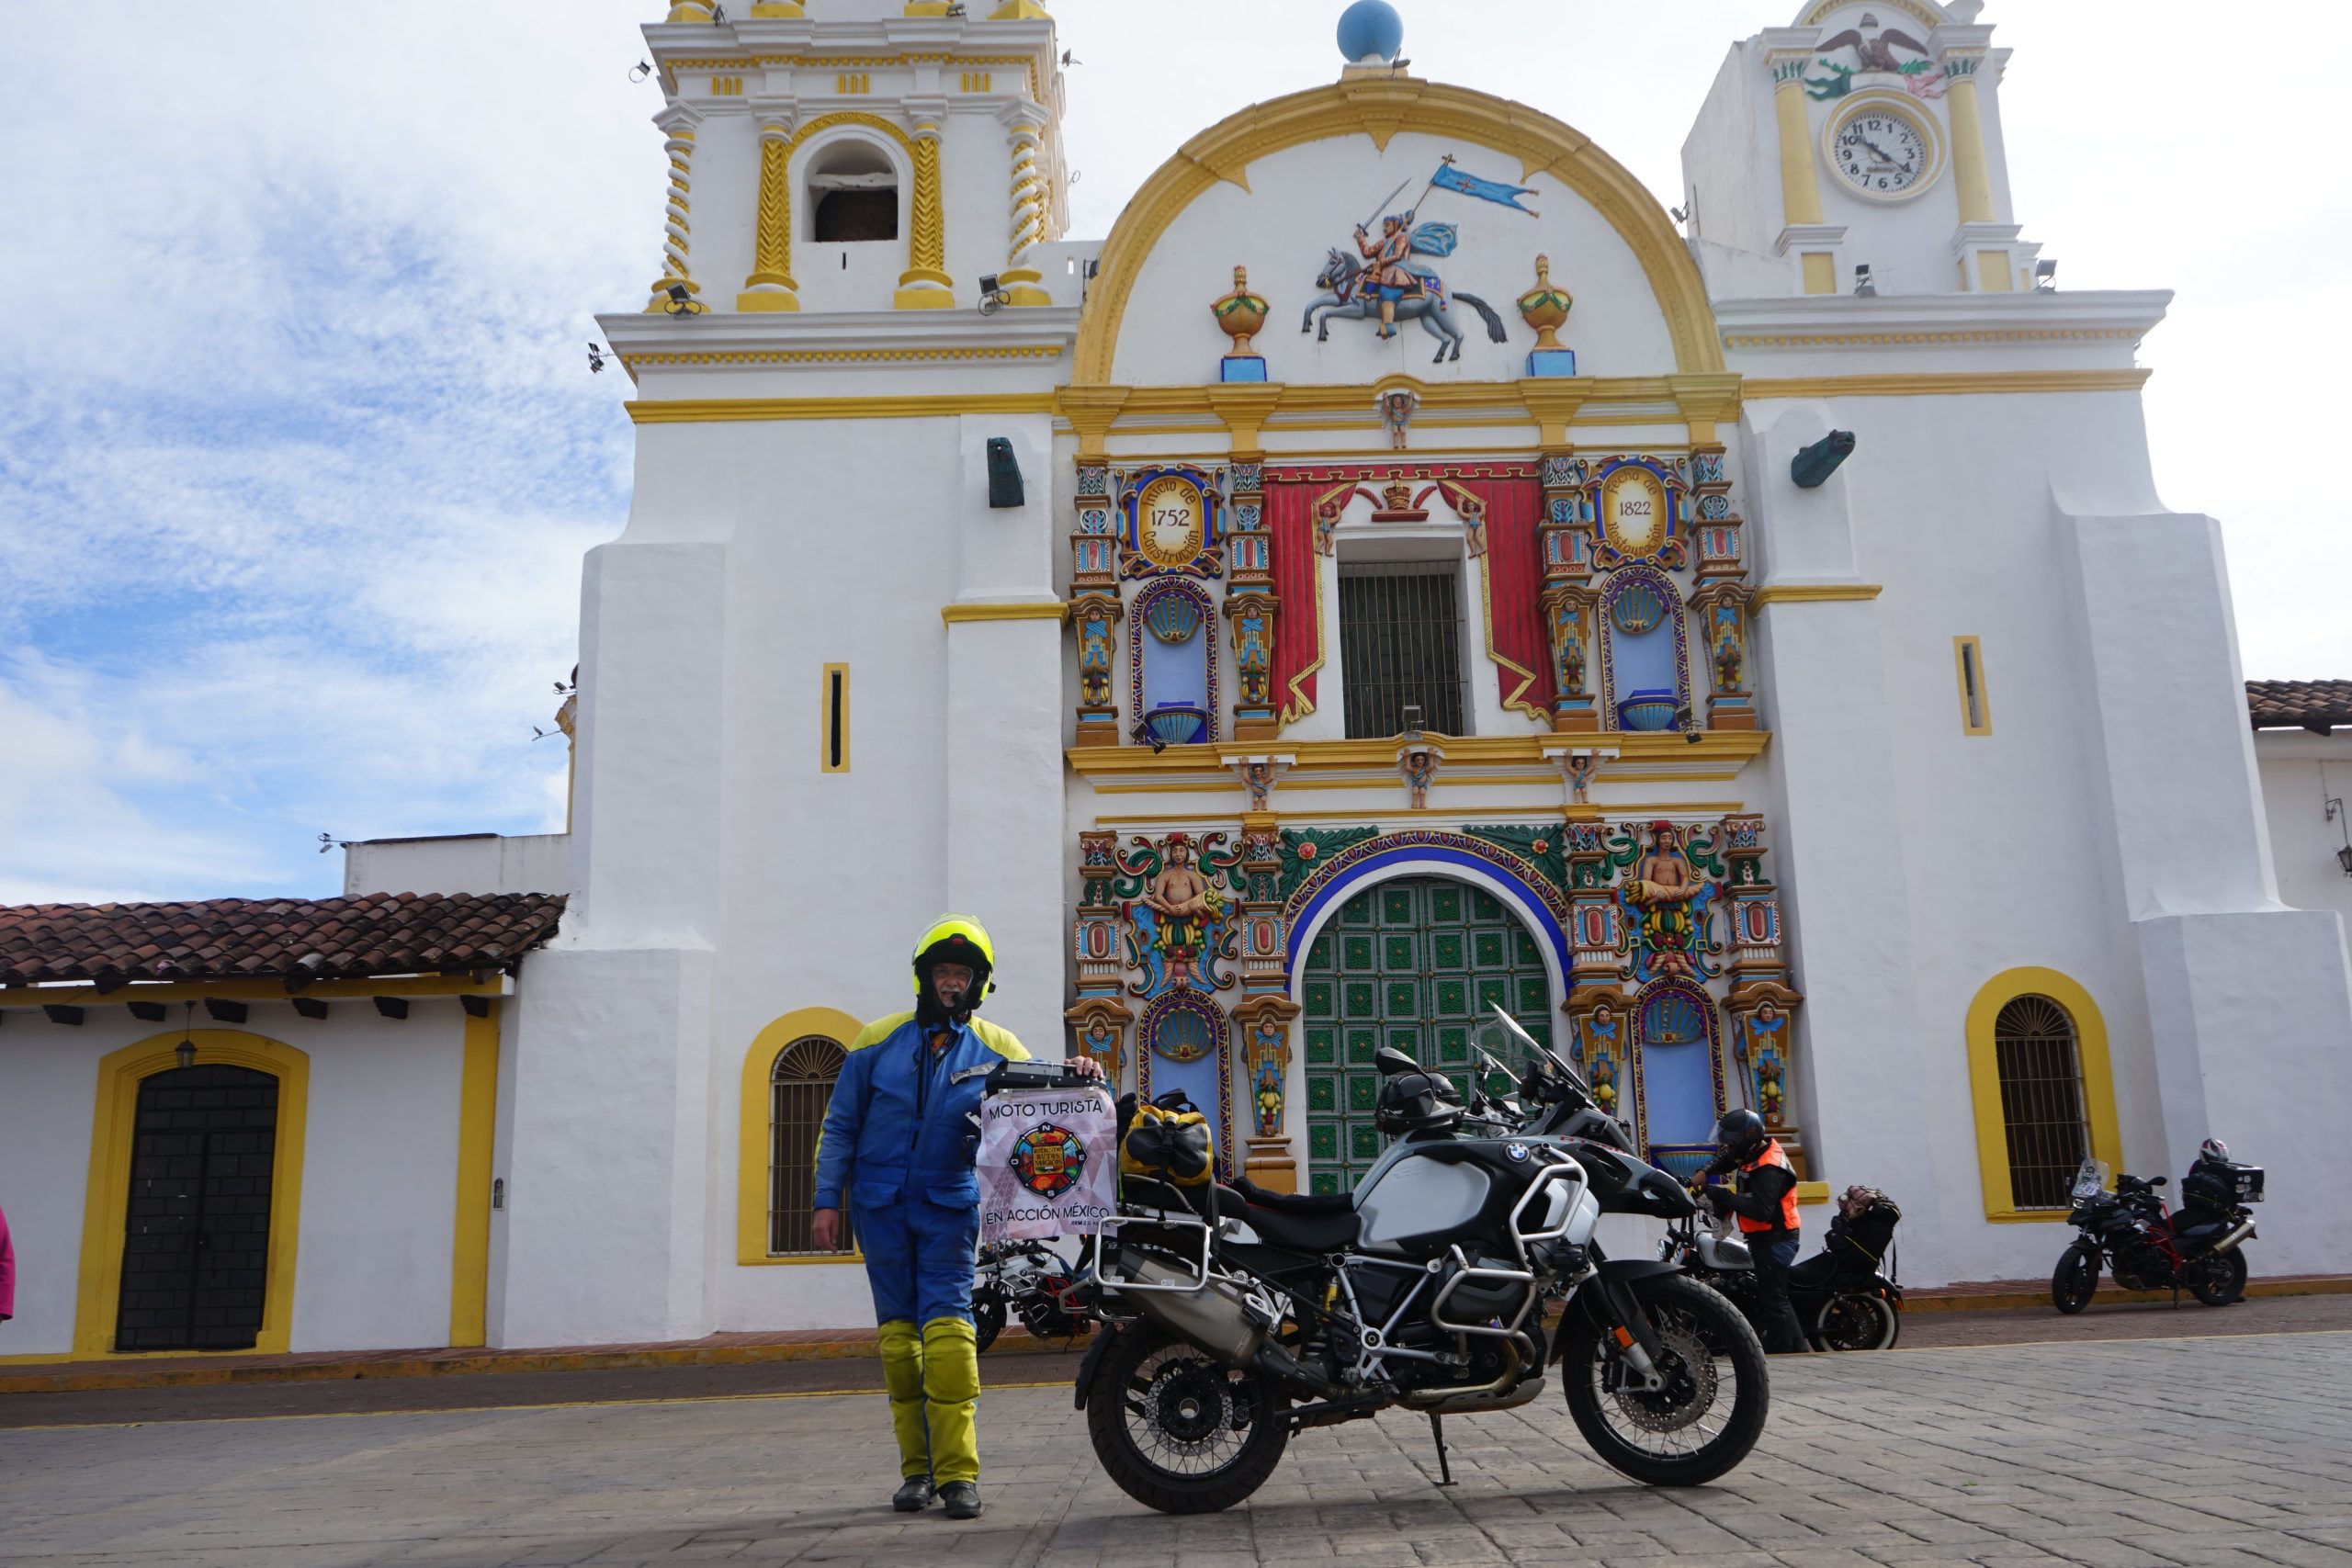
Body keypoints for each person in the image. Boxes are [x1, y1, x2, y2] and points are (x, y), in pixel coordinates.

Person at [810, 916, 1102, 1521]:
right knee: (898, 1342)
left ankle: (959, 1475)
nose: (951, 982)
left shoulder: (997, 1045)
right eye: (943, 971)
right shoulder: (875, 1040)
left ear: (979, 984)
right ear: (924, 976)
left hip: (948, 1203)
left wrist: (1081, 1071)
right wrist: (824, 1198)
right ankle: (916, 1472)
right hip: (878, 1204)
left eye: (961, 974)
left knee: (948, 1335)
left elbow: (1043, 1088)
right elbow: (839, 1123)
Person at [1694, 1108, 1810, 1354]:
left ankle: (1788, 1352)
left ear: (1746, 1140)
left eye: (1732, 1142)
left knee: (1774, 1299)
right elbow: (1725, 1159)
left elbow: (1760, 1211)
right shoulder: (1754, 1152)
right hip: (1765, 1237)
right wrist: (1701, 1174)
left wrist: (1722, 1195)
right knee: (1772, 1296)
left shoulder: (1769, 1168)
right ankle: (1796, 1347)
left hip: (1776, 1238)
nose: (1728, 1147)